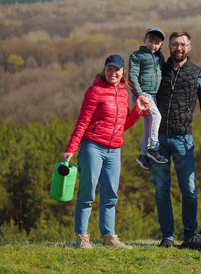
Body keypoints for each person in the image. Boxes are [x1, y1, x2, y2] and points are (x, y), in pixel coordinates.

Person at [63, 54, 151, 250]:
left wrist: (137, 111)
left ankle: (109, 236)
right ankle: (82, 237)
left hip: (114, 150)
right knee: (87, 193)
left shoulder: (123, 93)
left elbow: (122, 125)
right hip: (92, 146)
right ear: (104, 71)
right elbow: (83, 122)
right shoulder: (94, 91)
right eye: (109, 69)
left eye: (116, 70)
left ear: (123, 73)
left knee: (111, 194)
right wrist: (72, 148)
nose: (113, 73)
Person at [151, 31, 201, 248]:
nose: (178, 48)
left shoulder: (199, 74)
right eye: (174, 44)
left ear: (189, 48)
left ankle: (190, 235)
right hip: (157, 140)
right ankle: (167, 237)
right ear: (168, 47)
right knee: (162, 190)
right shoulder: (158, 70)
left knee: (189, 190)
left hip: (183, 139)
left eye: (182, 44)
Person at [128, 27, 168, 170]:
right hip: (143, 94)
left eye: (156, 43)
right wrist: (140, 95)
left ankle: (143, 154)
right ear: (144, 40)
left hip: (154, 95)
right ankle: (153, 148)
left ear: (161, 45)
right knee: (156, 117)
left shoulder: (160, 57)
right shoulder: (137, 56)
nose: (153, 45)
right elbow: (132, 76)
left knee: (149, 125)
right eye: (150, 41)